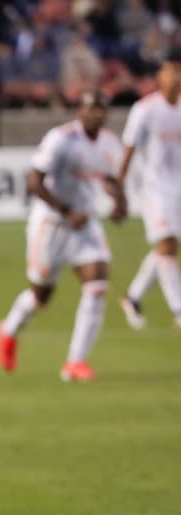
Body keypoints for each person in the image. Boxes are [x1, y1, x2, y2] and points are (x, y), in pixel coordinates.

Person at [0, 90, 126, 382]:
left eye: (101, 109)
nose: (95, 114)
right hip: (52, 224)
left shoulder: (109, 143)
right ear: (79, 111)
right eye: (90, 108)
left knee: (97, 285)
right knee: (40, 296)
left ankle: (75, 362)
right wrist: (66, 211)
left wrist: (119, 200)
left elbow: (107, 178)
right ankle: (9, 330)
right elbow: (34, 181)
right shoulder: (62, 140)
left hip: (85, 224)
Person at [117, 54, 181, 330]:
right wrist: (119, 185)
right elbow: (129, 146)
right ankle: (178, 308)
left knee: (167, 248)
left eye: (179, 72)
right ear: (159, 77)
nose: (175, 77)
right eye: (170, 72)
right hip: (155, 188)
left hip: (179, 187)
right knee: (166, 247)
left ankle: (132, 297)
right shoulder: (145, 109)